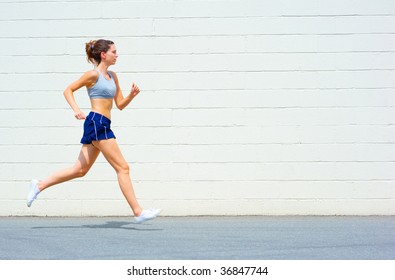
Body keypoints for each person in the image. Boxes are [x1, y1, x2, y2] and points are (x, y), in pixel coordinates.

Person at [27, 39, 161, 223]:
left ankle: (39, 185)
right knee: (123, 167)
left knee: (80, 170)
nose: (117, 54)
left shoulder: (113, 76)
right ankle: (138, 212)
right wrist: (76, 110)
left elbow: (119, 105)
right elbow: (68, 90)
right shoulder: (92, 75)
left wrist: (131, 95)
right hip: (97, 123)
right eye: (114, 51)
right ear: (103, 55)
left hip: (102, 123)